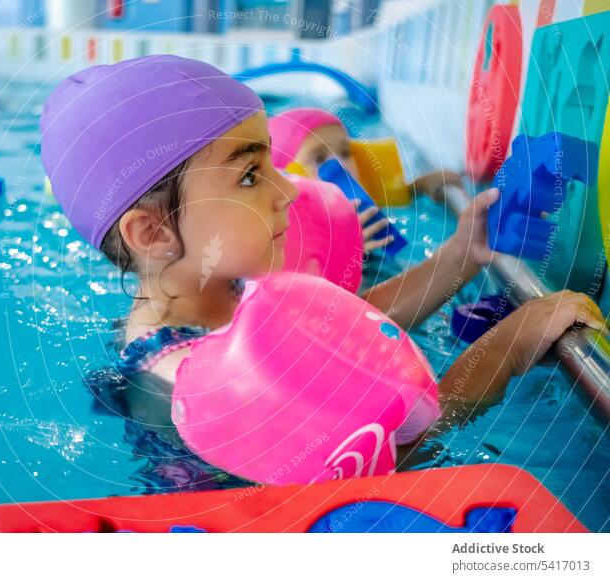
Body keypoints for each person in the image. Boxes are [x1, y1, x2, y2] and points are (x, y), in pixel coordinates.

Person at [40, 55, 606, 481]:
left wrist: (459, 256)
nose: (287, 189)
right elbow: (394, 439)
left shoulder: (219, 292)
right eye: (248, 175)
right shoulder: (178, 370)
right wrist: (513, 342)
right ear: (154, 233)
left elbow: (354, 326)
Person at [269, 107, 463, 252]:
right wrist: (345, 253)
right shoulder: (291, 238)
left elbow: (382, 201)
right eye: (319, 159)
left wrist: (417, 188)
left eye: (345, 153)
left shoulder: (360, 205)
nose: (340, 166)